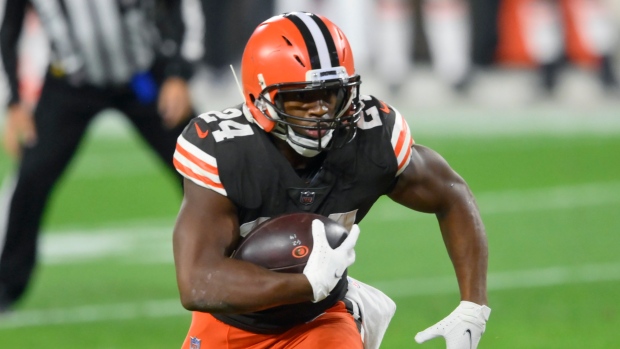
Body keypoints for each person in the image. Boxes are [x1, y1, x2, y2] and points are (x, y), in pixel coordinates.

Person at [172, 11, 490, 349]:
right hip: (233, 323)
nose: (320, 109)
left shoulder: (371, 138)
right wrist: (306, 284)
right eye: (302, 96)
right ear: (261, 96)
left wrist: (473, 305)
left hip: (320, 319)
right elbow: (197, 282)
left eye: (330, 93)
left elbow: (451, 194)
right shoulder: (228, 150)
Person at [0, 0, 195, 312]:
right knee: (31, 177)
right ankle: (7, 283)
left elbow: (177, 7)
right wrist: (14, 102)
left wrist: (179, 74)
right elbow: (10, 27)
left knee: (202, 166)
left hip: (142, 78)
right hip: (70, 83)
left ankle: (235, 261)